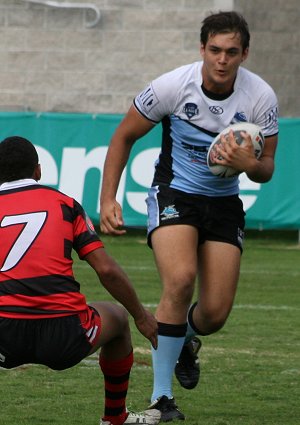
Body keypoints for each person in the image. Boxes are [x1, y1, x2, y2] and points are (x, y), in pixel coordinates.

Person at [100, 11, 279, 422]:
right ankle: (162, 400)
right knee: (179, 281)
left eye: (232, 52)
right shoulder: (172, 86)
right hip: (175, 192)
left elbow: (267, 167)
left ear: (244, 54)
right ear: (202, 49)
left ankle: (184, 342)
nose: (222, 59)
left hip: (224, 201)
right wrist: (108, 197)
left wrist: (249, 164)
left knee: (214, 314)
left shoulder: (260, 97)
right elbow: (123, 135)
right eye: (214, 50)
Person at [0, 136, 161, 425]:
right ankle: (115, 418)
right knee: (119, 318)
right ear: (38, 171)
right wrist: (140, 315)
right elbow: (107, 271)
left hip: (4, 334)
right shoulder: (64, 204)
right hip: (64, 334)